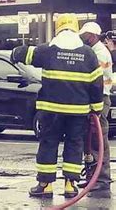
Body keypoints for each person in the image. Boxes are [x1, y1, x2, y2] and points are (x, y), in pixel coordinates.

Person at [11, 14, 103, 199]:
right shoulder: (88, 53)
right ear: (76, 28)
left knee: (49, 143)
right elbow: (97, 84)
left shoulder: (48, 50)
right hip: (78, 112)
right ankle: (70, 185)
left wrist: (15, 53)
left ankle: (45, 186)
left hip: (51, 110)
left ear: (57, 28)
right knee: (74, 144)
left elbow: (24, 54)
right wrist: (96, 109)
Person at [79, 22, 112, 198]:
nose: (82, 39)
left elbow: (92, 78)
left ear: (92, 36)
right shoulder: (94, 51)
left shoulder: (99, 53)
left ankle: (102, 180)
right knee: (91, 140)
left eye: (84, 36)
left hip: (100, 100)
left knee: (99, 141)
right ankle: (93, 177)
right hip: (94, 100)